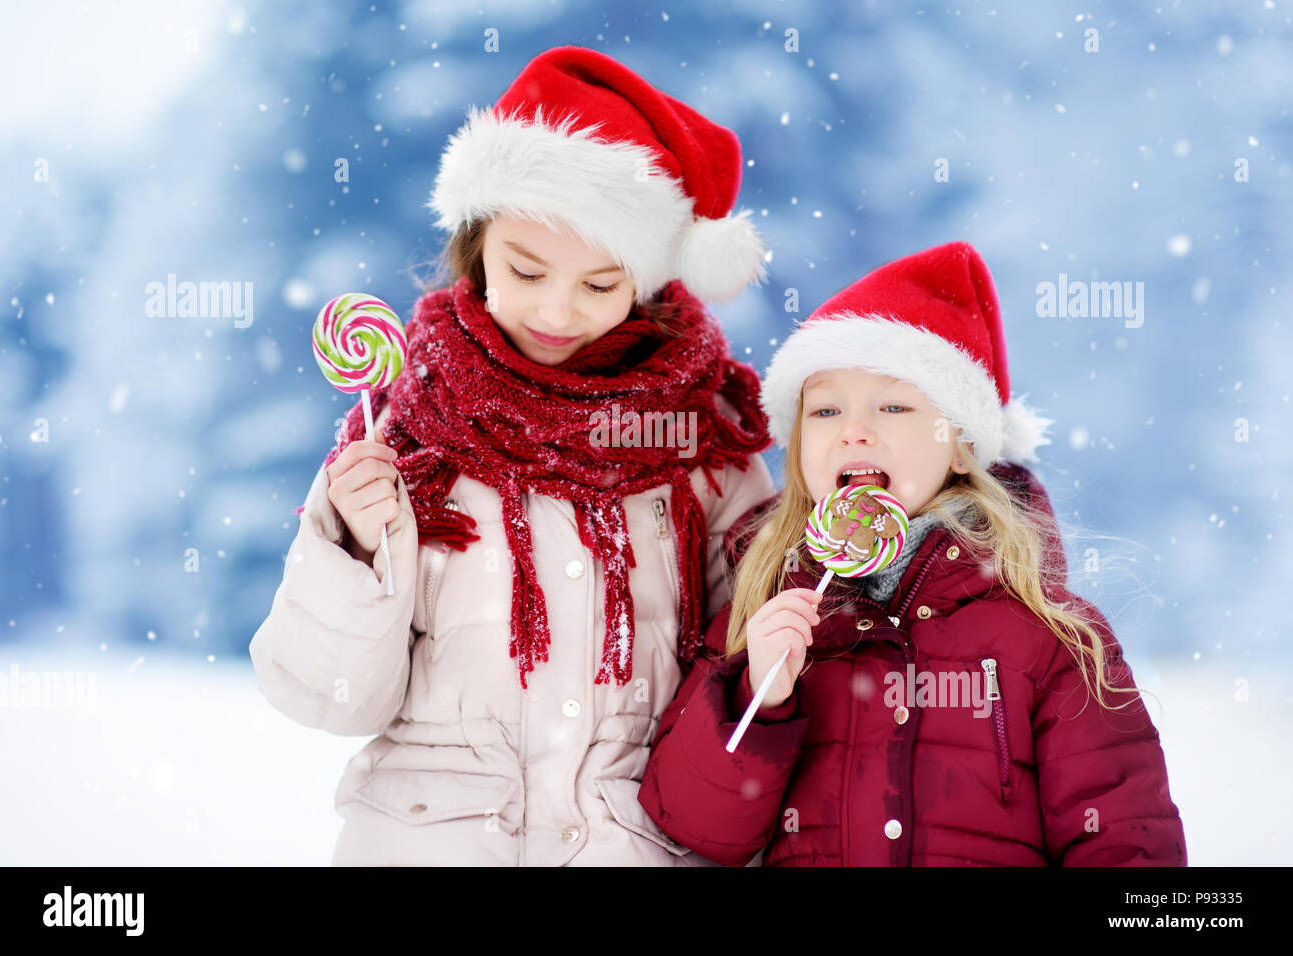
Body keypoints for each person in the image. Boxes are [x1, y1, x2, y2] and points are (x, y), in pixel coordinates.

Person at [249, 45, 776, 865]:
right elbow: (328, 696)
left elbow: (741, 690)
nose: (557, 310)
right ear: (476, 247)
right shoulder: (408, 431)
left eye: (599, 285)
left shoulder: (702, 445)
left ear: (648, 281)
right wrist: (355, 546)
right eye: (526, 271)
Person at [639, 240, 1187, 866]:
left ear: (960, 446)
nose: (854, 429)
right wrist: (755, 698)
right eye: (824, 410)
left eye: (894, 405)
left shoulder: (1052, 637)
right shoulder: (762, 610)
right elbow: (697, 830)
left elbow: (1126, 843)